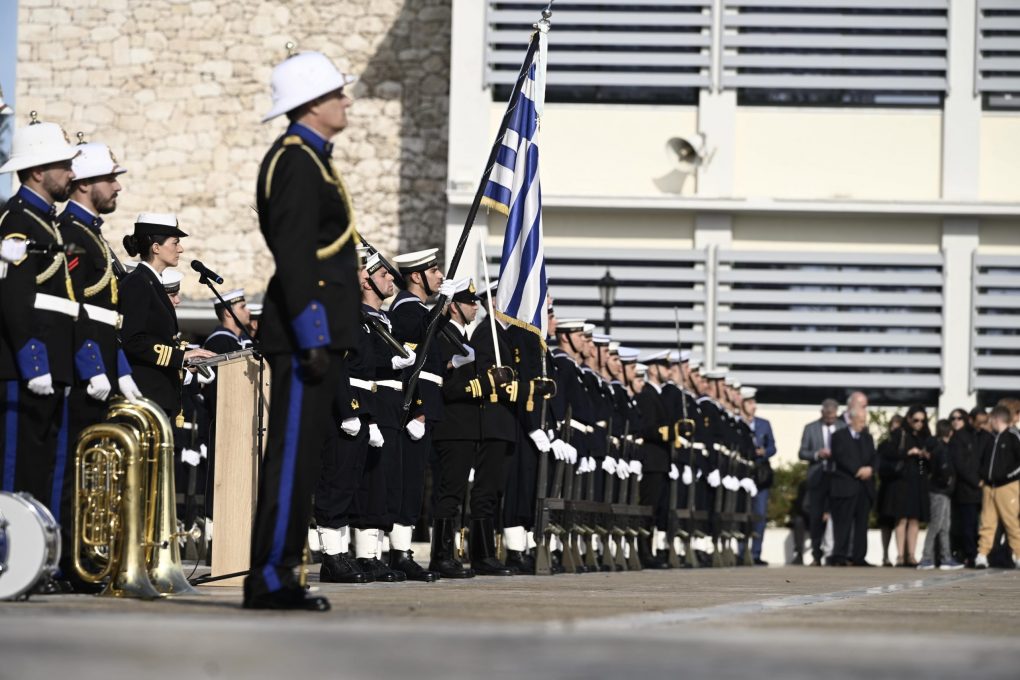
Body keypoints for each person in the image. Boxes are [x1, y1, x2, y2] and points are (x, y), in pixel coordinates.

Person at [245, 49, 361, 611]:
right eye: (339, 93)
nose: (347, 101)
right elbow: (293, 255)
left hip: (318, 329)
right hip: (302, 332)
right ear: (313, 103)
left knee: (305, 459)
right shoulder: (294, 159)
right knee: (290, 458)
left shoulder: (313, 157)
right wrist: (312, 332)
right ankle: (268, 576)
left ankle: (284, 572)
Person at [54, 139, 140, 591]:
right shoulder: (69, 230)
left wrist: (120, 367)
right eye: (110, 178)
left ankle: (83, 556)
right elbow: (74, 310)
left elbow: (108, 318)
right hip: (81, 368)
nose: (117, 186)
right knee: (72, 469)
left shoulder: (92, 232)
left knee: (92, 471)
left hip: (103, 362)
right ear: (85, 184)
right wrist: (94, 367)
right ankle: (65, 559)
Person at [0, 115, 80, 514]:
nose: (71, 173)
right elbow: (14, 299)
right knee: (18, 473)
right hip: (25, 367)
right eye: (63, 166)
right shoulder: (17, 221)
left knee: (44, 471)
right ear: (36, 172)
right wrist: (34, 362)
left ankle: (39, 566)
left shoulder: (46, 223)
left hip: (53, 363)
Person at [387, 248, 455, 576]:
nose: (440, 276)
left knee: (415, 481)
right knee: (407, 480)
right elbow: (410, 362)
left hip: (426, 405)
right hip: (415, 406)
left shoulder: (417, 309)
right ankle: (398, 553)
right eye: (434, 270)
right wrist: (418, 410)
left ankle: (402, 550)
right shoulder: (405, 309)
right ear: (417, 276)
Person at [119, 214, 214, 423]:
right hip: (146, 394)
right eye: (175, 242)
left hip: (160, 395)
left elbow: (159, 339)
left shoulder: (152, 282)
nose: (180, 249)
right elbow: (133, 340)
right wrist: (181, 358)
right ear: (156, 247)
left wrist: (187, 355)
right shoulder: (138, 282)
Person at [879, 405, 931, 567]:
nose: (919, 423)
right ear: (908, 419)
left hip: (918, 482)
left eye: (922, 420)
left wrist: (927, 456)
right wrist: (908, 453)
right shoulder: (899, 434)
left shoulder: (925, 436)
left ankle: (911, 555)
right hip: (901, 482)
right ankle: (900, 555)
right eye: (916, 420)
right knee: (901, 518)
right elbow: (886, 453)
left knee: (914, 520)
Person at [798, 398, 844, 566]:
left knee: (837, 516)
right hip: (817, 478)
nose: (831, 418)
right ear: (822, 412)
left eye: (833, 416)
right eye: (828, 416)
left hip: (837, 477)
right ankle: (817, 555)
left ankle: (836, 554)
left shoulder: (843, 427)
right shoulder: (810, 428)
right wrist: (818, 454)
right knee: (816, 516)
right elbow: (802, 452)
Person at [828, 406, 876, 567]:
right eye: (861, 421)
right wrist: (857, 470)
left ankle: (859, 557)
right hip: (846, 486)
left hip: (864, 487)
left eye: (864, 421)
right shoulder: (838, 436)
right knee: (843, 523)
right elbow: (840, 456)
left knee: (862, 524)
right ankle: (839, 556)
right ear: (852, 419)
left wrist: (870, 469)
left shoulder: (867, 437)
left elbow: (874, 457)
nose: (863, 424)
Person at [974, 406, 1020, 569]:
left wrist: (1008, 476)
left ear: (996, 419)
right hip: (989, 486)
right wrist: (982, 477)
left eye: (990, 420)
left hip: (1007, 487)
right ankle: (982, 555)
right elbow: (982, 460)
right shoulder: (991, 437)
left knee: (1011, 522)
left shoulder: (1014, 436)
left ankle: (1018, 554)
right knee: (987, 522)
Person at [917, 419, 964, 570]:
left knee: (944, 526)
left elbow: (923, 468)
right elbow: (944, 470)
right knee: (936, 525)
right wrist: (948, 481)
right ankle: (926, 558)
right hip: (939, 491)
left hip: (941, 491)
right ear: (950, 432)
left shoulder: (933, 448)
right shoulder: (942, 449)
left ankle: (945, 558)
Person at [741, 387, 774, 565]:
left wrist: (764, 451)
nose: (753, 406)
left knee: (760, 514)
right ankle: (741, 551)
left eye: (754, 402)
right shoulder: (738, 422)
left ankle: (756, 553)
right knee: (742, 512)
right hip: (743, 472)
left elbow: (773, 447)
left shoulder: (764, 424)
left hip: (760, 474)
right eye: (749, 403)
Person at [949, 407, 984, 567]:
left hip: (977, 489)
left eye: (959, 418)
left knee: (975, 525)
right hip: (966, 490)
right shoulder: (958, 438)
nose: (955, 421)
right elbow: (960, 465)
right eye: (953, 418)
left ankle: (973, 554)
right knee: (967, 526)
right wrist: (976, 481)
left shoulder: (977, 436)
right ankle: (970, 555)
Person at [875, 414, 904, 566]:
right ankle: (885, 555)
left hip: (903, 488)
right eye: (893, 426)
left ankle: (902, 555)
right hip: (887, 487)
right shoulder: (884, 445)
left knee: (901, 520)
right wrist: (894, 469)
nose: (896, 429)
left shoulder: (907, 445)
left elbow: (919, 467)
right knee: (885, 522)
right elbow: (880, 467)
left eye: (899, 426)